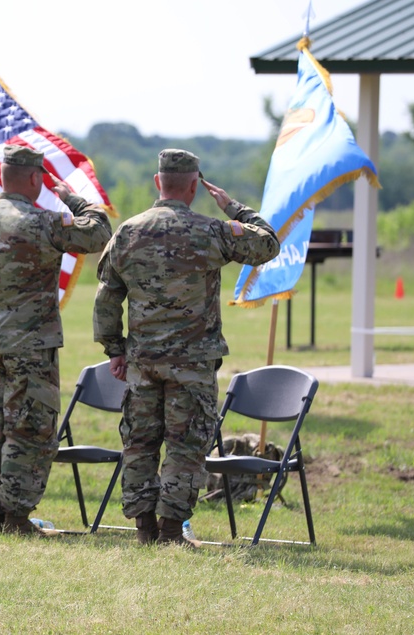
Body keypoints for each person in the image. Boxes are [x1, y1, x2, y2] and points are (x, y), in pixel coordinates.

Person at [93, 148, 281, 547]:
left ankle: (144, 528)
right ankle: (170, 531)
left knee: (140, 442)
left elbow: (107, 297)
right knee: (185, 443)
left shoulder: (128, 231)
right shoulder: (211, 230)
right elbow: (267, 245)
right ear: (195, 187)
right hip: (192, 364)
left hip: (142, 362)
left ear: (158, 183)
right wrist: (235, 207)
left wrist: (114, 349)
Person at [0, 145, 112, 535]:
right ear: (35, 179)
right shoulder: (45, 222)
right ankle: (16, 517)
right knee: (28, 428)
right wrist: (72, 199)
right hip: (32, 349)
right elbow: (100, 232)